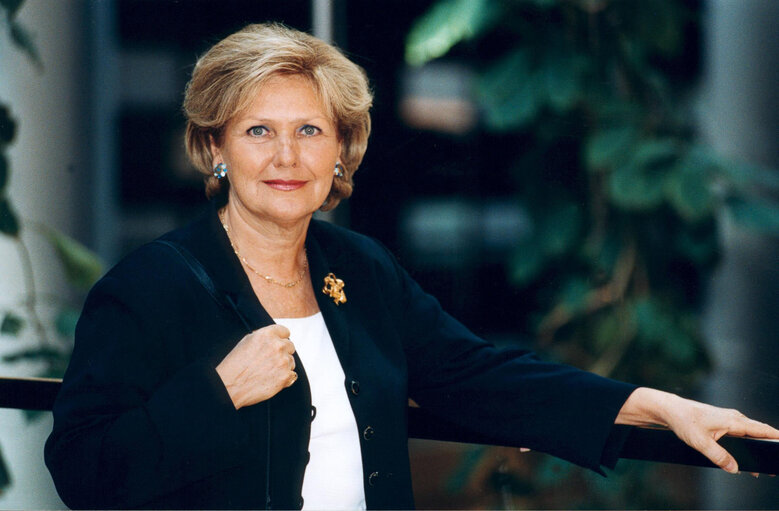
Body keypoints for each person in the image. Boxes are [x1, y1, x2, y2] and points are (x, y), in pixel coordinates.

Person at [44, 23, 779, 510]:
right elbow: (82, 471)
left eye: (310, 131)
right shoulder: (148, 288)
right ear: (214, 149)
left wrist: (656, 405)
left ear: (342, 151)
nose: (286, 156)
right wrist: (216, 392)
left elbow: (479, 377)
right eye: (257, 130)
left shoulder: (359, 270)